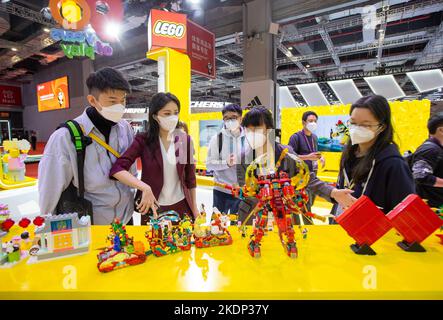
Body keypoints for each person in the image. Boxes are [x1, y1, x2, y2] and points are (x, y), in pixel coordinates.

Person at [38, 67, 137, 225]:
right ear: (92, 100)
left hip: (125, 220)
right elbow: (50, 188)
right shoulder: (65, 137)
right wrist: (45, 225)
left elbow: (131, 171)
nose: (120, 106)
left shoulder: (125, 128)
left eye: (123, 100)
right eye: (112, 101)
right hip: (91, 226)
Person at [236, 106, 356, 225]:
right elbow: (246, 190)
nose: (252, 133)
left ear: (269, 129)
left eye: (257, 128)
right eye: (248, 129)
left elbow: (308, 178)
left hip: (285, 216)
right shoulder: (243, 159)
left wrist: (333, 192)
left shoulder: (286, 153)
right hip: (253, 217)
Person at [110, 92, 198, 224]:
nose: (173, 117)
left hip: (182, 207)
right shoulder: (144, 140)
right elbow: (117, 169)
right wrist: (144, 187)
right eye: (167, 114)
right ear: (155, 116)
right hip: (153, 207)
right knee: (154, 243)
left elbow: (190, 179)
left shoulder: (184, 140)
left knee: (183, 243)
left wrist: (195, 209)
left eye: (176, 112)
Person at [331, 95, 415, 221]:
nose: (357, 129)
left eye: (366, 125)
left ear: (382, 127)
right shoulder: (349, 154)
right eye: (353, 123)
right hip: (341, 226)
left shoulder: (393, 164)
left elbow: (405, 214)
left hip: (373, 235)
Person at [206, 104, 246, 215]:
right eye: (226, 118)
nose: (230, 121)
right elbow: (209, 165)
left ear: (240, 119)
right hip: (221, 190)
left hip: (242, 191)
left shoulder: (248, 138)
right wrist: (226, 163)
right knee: (217, 226)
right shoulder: (217, 139)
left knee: (238, 226)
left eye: (234, 117)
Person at [288, 111, 325, 210]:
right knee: (304, 204)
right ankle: (306, 223)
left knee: (311, 202)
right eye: (310, 121)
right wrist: (308, 157)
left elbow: (315, 153)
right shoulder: (295, 137)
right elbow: (290, 156)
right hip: (301, 176)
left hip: (313, 174)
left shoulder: (314, 137)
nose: (313, 123)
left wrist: (321, 157)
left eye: (315, 121)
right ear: (304, 122)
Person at [411, 113, 443, 208]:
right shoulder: (430, 150)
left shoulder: (437, 148)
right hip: (431, 207)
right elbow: (420, 175)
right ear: (441, 130)